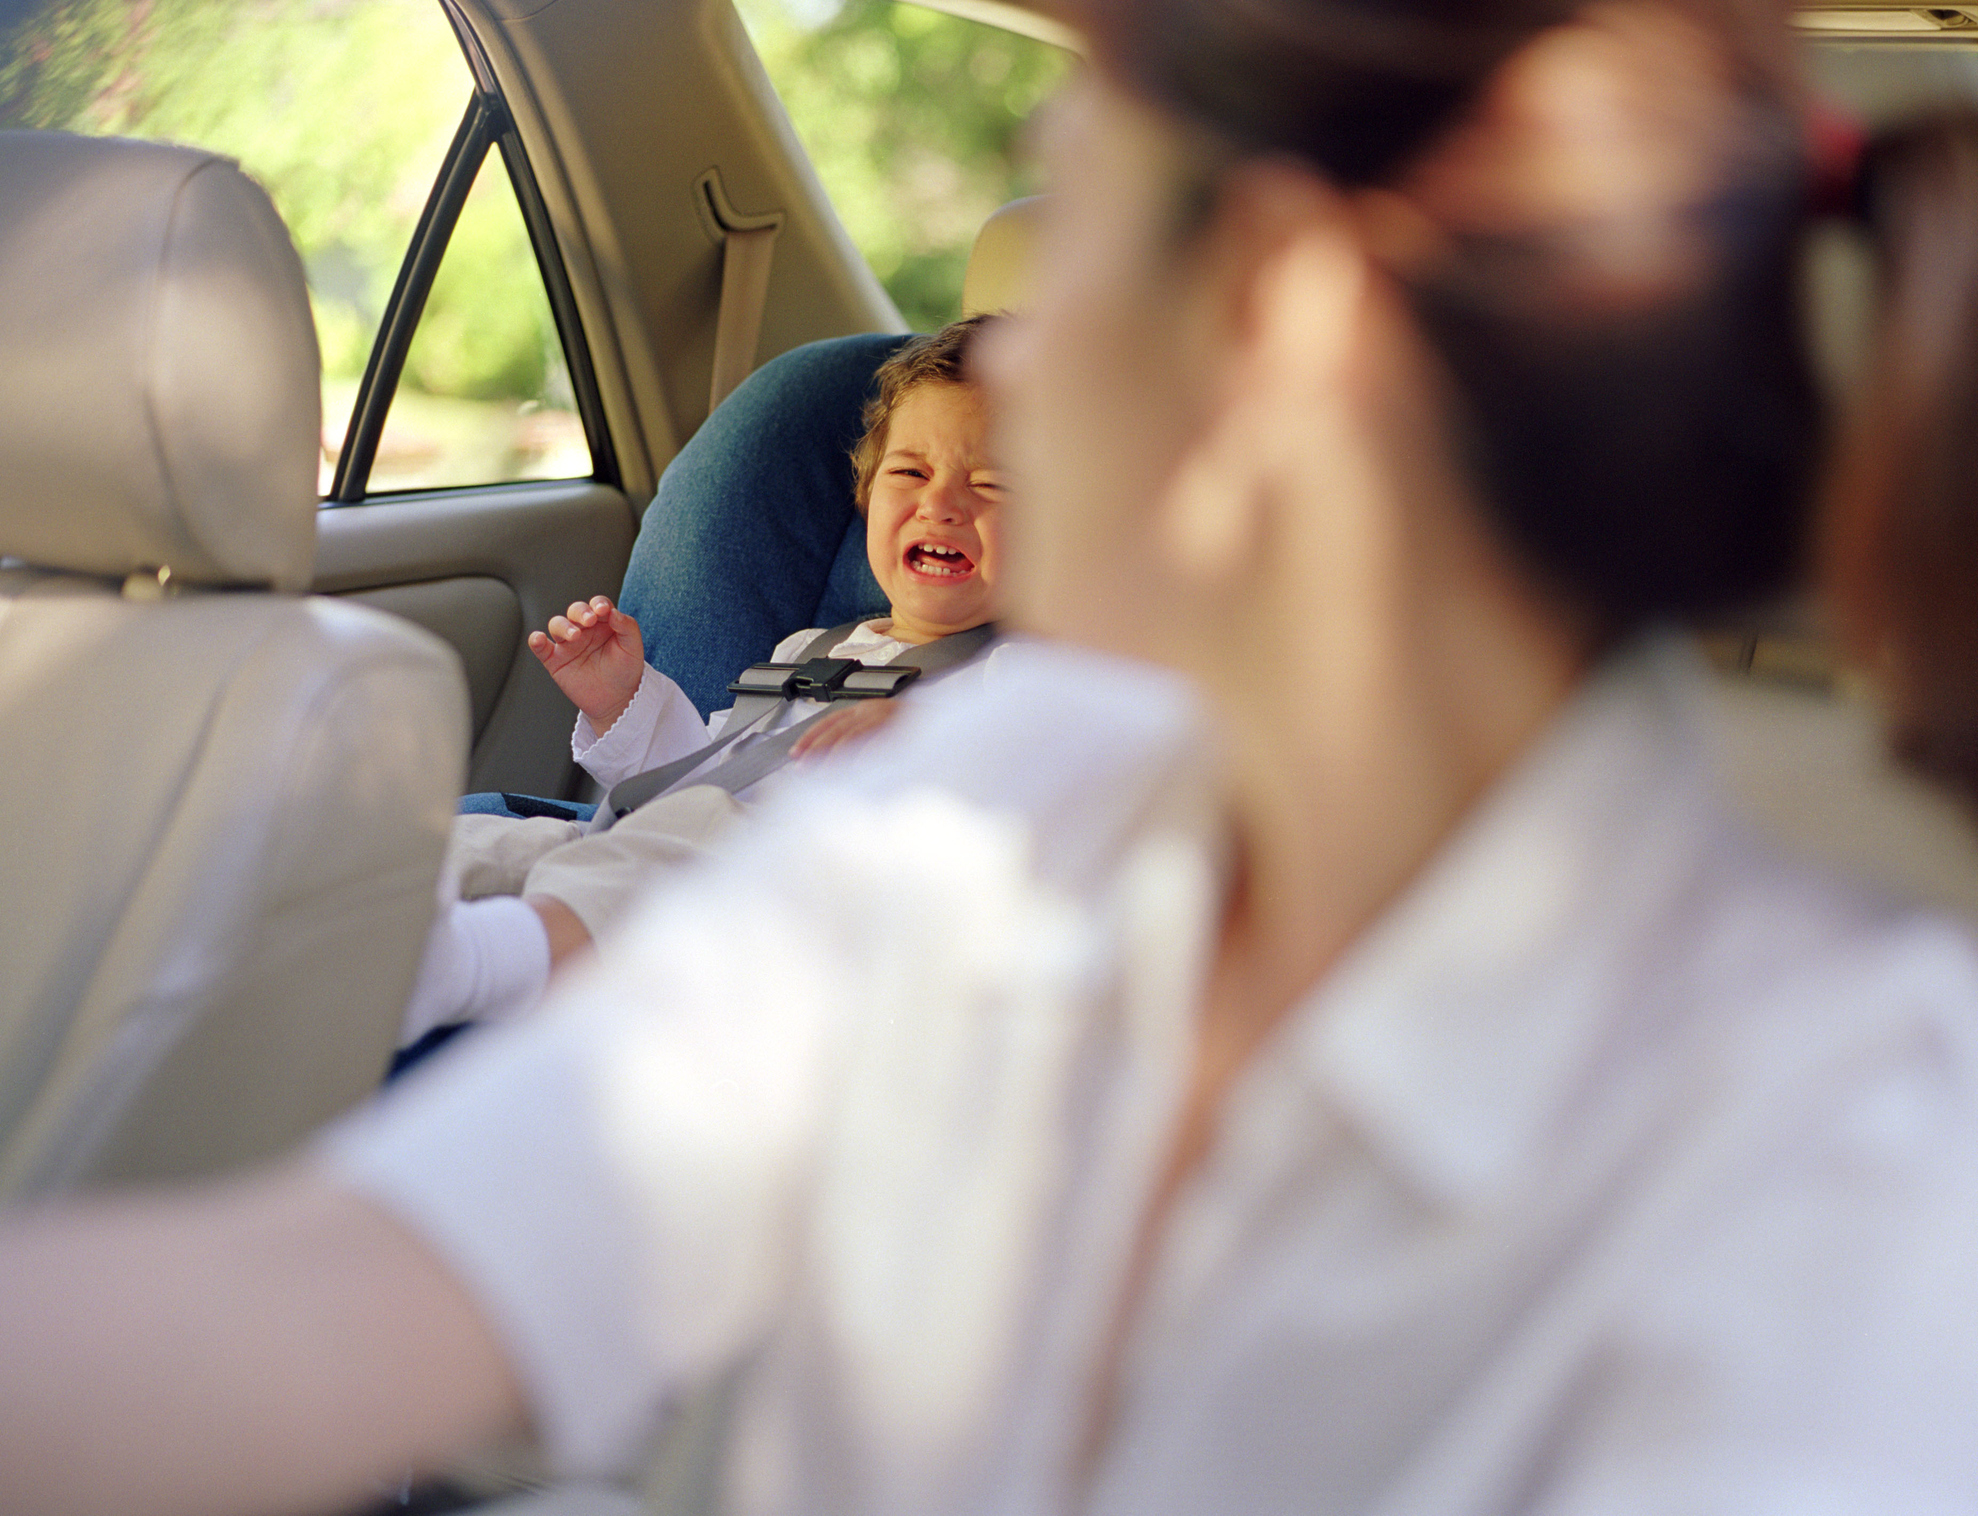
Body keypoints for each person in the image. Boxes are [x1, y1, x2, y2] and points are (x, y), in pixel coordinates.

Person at [13, 3, 1978, 1515]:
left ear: (1278, 318)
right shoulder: (991, 805)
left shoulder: (1853, 1175)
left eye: (1069, 233)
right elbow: (337, 1297)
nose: (998, 364)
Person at [401, 316, 1008, 1043]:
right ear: (867, 495)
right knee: (487, 840)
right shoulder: (816, 647)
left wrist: (932, 731)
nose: (941, 503)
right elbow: (706, 770)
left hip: (813, 914)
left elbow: (1048, 764)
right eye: (909, 472)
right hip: (688, 861)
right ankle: (336, 932)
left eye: (992, 484)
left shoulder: (1026, 671)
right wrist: (627, 702)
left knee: (688, 835)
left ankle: (476, 968)